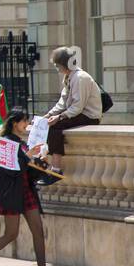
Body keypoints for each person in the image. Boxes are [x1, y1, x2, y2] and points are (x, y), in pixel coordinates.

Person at [0, 109, 64, 266]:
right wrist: (27, 157)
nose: (26, 125)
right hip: (12, 193)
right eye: (24, 122)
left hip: (26, 190)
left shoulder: (20, 143)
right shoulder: (5, 143)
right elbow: (9, 169)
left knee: (38, 230)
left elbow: (26, 168)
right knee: (10, 234)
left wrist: (39, 160)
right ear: (15, 122)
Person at [43, 46, 103, 176]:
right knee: (48, 124)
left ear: (66, 64)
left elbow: (77, 106)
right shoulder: (69, 77)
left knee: (56, 126)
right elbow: (62, 102)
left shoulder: (80, 78)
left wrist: (59, 118)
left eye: (58, 65)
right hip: (79, 113)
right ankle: (45, 161)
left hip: (89, 116)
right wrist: (48, 115)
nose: (57, 69)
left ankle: (56, 168)